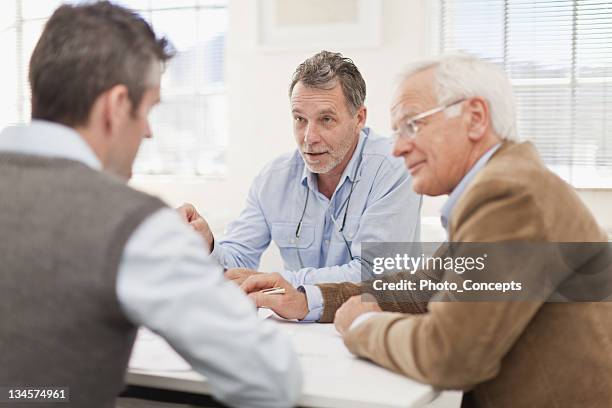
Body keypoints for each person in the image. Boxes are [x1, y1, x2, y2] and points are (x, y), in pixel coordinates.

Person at [240, 54, 612, 407]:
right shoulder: (506, 185)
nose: (398, 148)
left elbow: (453, 353)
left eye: (412, 125)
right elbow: (419, 287)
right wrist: (308, 299)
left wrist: (364, 325)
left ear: (475, 118)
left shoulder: (509, 196)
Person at [0, 3, 300, 408]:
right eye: (148, 110)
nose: (148, 132)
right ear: (117, 106)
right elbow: (272, 376)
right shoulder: (132, 224)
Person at [180, 51, 422, 290]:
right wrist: (208, 245)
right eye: (300, 119)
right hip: (297, 326)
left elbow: (375, 274)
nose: (309, 137)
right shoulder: (273, 179)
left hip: (375, 319)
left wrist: (281, 282)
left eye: (326, 119)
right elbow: (238, 262)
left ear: (359, 118)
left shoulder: (395, 166)